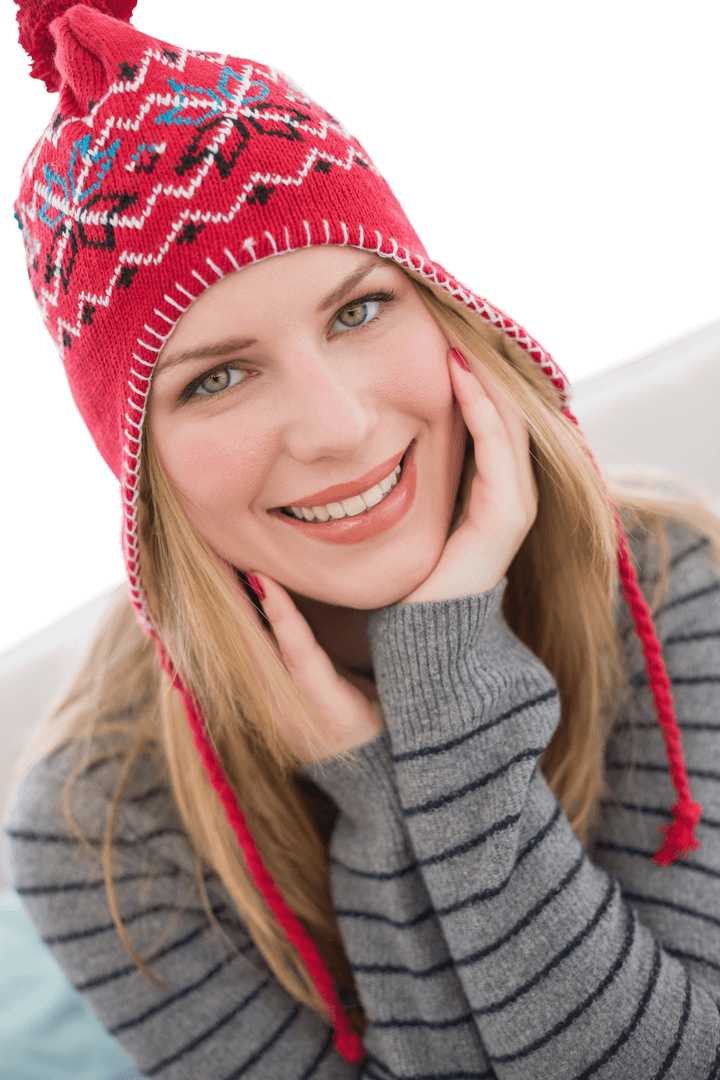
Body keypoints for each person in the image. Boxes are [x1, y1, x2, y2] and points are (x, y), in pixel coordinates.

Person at [4, 0, 720, 1076]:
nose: (339, 429)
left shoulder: (672, 583)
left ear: (448, 316)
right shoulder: (99, 830)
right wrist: (385, 798)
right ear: (141, 472)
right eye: (220, 377)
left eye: (358, 311)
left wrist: (441, 711)